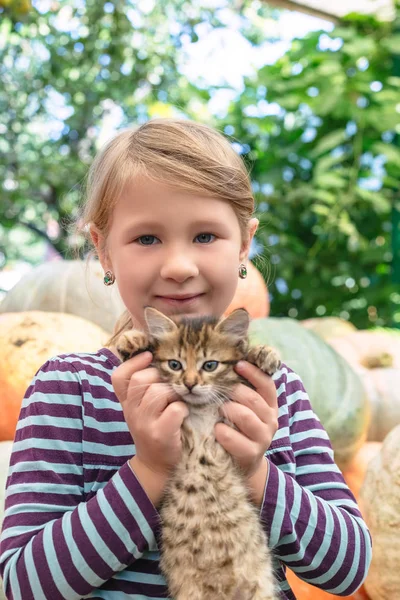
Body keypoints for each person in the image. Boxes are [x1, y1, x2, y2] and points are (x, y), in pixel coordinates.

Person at [0, 118, 371, 600]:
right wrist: (151, 469)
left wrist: (256, 471)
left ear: (244, 244)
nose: (178, 266)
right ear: (103, 251)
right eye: (147, 239)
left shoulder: (276, 391)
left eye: (205, 236)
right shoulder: (69, 390)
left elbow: (348, 570)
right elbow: (22, 585)